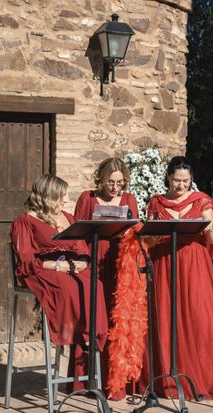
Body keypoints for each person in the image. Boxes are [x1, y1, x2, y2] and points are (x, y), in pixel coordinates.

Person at [142, 156, 213, 400]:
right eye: (176, 180)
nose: (180, 186)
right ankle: (166, 379)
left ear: (191, 179)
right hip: (165, 263)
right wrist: (153, 234)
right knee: (165, 315)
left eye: (185, 181)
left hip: (194, 264)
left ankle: (199, 378)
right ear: (168, 178)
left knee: (196, 316)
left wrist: (208, 228)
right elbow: (148, 240)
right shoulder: (157, 202)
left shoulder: (202, 200)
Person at [10, 174, 108, 371]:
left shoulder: (68, 217)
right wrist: (58, 266)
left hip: (70, 266)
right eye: (60, 196)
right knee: (66, 285)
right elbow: (26, 259)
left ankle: (90, 334)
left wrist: (81, 261)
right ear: (47, 196)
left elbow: (81, 247)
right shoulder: (25, 221)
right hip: (41, 269)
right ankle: (76, 334)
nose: (65, 200)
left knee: (94, 283)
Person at [72, 157, 139, 400]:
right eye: (110, 182)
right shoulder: (86, 198)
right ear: (100, 179)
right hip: (93, 262)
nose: (114, 188)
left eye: (120, 183)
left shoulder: (129, 200)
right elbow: (77, 234)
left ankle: (116, 383)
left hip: (120, 263)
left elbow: (135, 231)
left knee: (117, 321)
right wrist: (82, 261)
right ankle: (86, 380)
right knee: (93, 318)